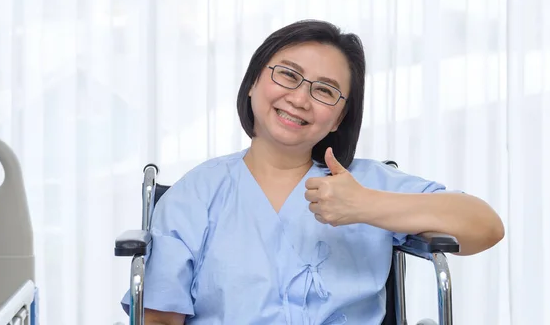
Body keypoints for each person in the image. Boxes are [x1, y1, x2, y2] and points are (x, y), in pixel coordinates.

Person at [121, 20, 504, 325]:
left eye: (325, 91)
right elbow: (158, 317)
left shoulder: (366, 184)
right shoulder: (195, 194)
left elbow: (485, 227)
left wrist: (367, 205)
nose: (300, 98)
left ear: (340, 117)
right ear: (254, 81)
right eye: (288, 75)